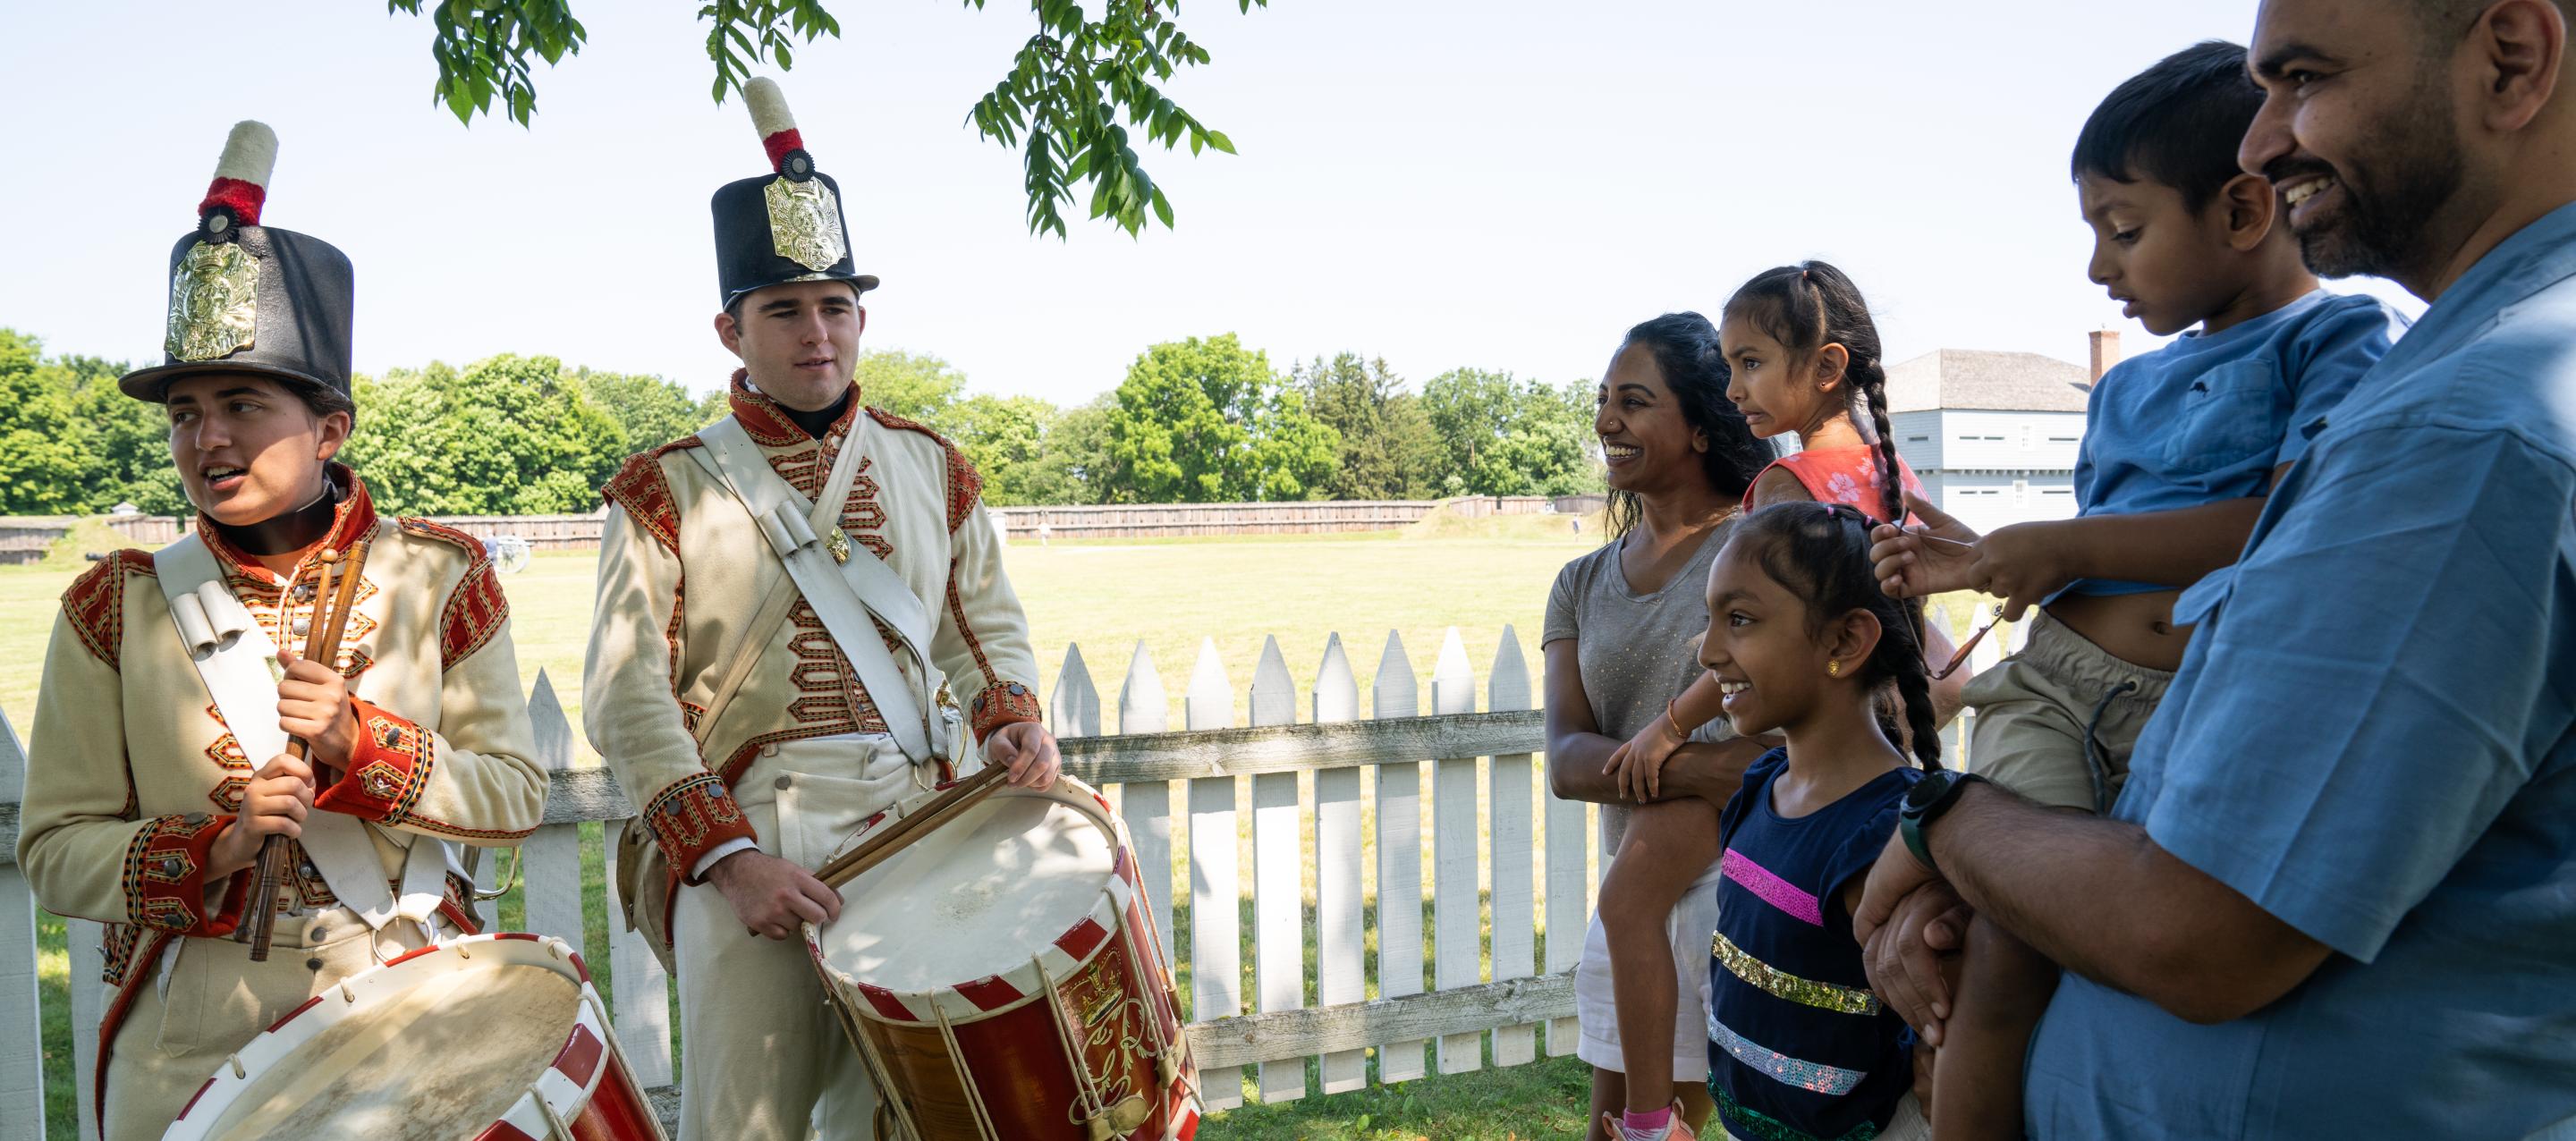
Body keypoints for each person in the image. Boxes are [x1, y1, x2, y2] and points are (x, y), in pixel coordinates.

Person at [1853, 1, 2576, 1136]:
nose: (2259, 139)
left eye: (2302, 76)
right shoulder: (2483, 371)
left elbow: (2198, 930)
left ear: (2513, 60)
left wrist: (1951, 824)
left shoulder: (2467, 436)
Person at [14, 122, 548, 1140]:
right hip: (194, 1041)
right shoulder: (111, 607)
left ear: (329, 427)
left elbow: (516, 795)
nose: (206, 437)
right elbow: (53, 849)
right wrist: (213, 848)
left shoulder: (445, 575)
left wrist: (363, 744)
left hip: (413, 1007)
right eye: (184, 411)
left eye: (243, 404)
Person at [581, 79, 1060, 1141]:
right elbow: (626, 696)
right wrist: (727, 857)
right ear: (729, 328)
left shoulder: (934, 466)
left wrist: (1008, 715)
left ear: (861, 315)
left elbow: (979, 625)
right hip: (755, 839)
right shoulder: (666, 487)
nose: (817, 333)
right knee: (748, 1123)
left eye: (836, 306)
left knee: (907, 1113)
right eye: (784, 311)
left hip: (917, 820)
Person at [1543, 313, 1778, 1141]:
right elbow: (1568, 760)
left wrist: (1733, 775)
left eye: (1636, 402)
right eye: (1605, 400)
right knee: (1619, 1128)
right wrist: (1706, 770)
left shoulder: (1757, 546)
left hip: (1742, 882)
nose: (1608, 420)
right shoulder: (1580, 582)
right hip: (1633, 887)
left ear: (1704, 425)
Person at [1699, 502, 1938, 1141]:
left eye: (1739, 620)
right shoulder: (1759, 788)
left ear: (1843, 642)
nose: (1707, 652)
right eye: (1711, 619)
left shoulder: (1888, 837)